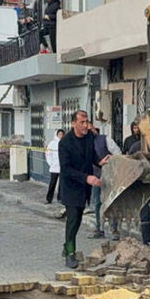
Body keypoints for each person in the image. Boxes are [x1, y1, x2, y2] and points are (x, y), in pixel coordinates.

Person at [58, 111, 104, 268]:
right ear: (73, 124)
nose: (85, 125)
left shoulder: (90, 137)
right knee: (72, 219)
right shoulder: (65, 143)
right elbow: (65, 169)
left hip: (84, 188)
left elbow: (92, 157)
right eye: (82, 122)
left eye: (87, 122)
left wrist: (101, 162)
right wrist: (86, 178)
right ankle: (70, 254)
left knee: (78, 219)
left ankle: (66, 246)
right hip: (70, 186)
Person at [89, 124, 122, 239]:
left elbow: (118, 153)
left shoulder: (105, 139)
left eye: (90, 129)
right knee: (97, 203)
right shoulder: (84, 143)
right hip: (95, 177)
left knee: (112, 202)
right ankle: (99, 229)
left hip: (110, 176)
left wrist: (110, 161)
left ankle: (114, 229)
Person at [44, 129, 64, 204]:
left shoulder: (65, 143)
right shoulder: (52, 143)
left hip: (62, 167)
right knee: (52, 183)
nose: (61, 136)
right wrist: (51, 163)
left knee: (62, 184)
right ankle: (49, 198)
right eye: (60, 134)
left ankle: (60, 198)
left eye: (62, 134)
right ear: (57, 135)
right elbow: (48, 154)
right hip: (54, 167)